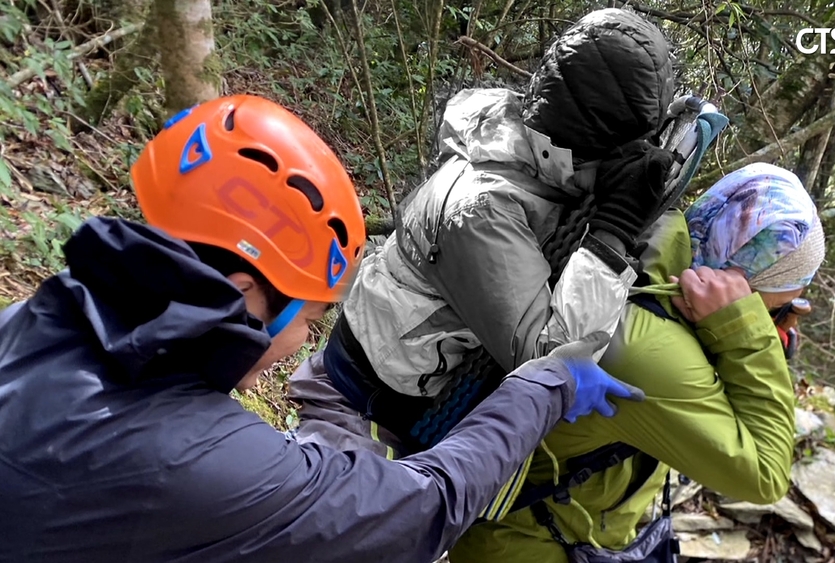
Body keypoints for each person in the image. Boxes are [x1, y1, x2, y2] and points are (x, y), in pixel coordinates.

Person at [0, 94, 644, 563]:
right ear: (244, 291)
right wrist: (547, 382)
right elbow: (425, 507)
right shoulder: (209, 463)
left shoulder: (28, 324)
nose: (302, 345)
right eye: (307, 317)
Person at [290, 8, 677, 462]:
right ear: (582, 141)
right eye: (619, 158)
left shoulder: (534, 150)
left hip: (399, 393)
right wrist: (614, 229)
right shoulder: (482, 205)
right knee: (356, 529)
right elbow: (548, 364)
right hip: (361, 413)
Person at [447, 163, 827, 562]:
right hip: (529, 545)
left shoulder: (648, 247)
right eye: (777, 309)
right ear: (735, 283)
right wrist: (747, 334)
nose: (778, 326)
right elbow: (765, 477)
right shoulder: (652, 350)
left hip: (549, 531)